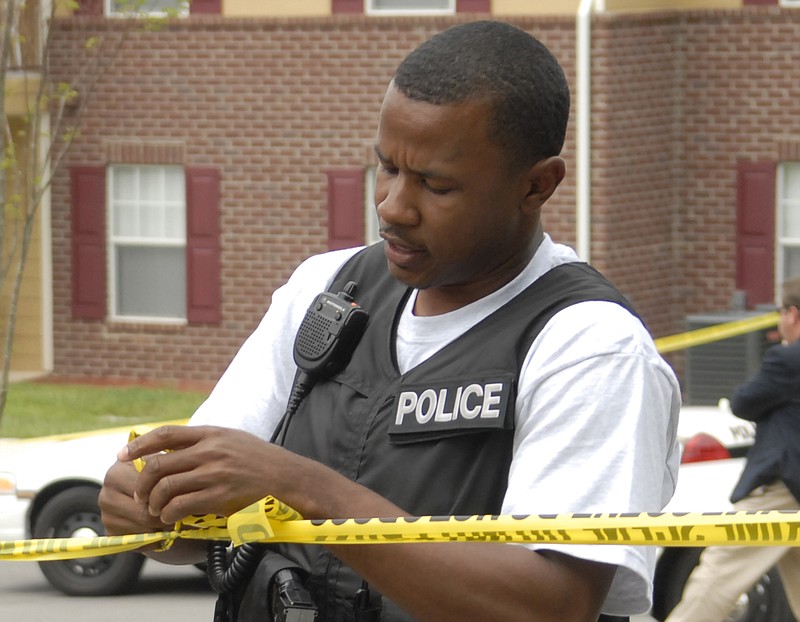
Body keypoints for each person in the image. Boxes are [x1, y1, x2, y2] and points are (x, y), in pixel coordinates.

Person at [99, 20, 681, 622]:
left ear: (537, 185)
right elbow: (198, 517)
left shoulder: (589, 347)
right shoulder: (325, 290)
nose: (393, 206)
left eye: (435, 184)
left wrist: (308, 490)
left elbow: (548, 606)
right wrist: (147, 509)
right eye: (388, 168)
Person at [665, 276, 800, 622]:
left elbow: (743, 402)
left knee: (718, 573)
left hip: (782, 488)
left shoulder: (787, 361)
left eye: (781, 312)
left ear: (793, 315)